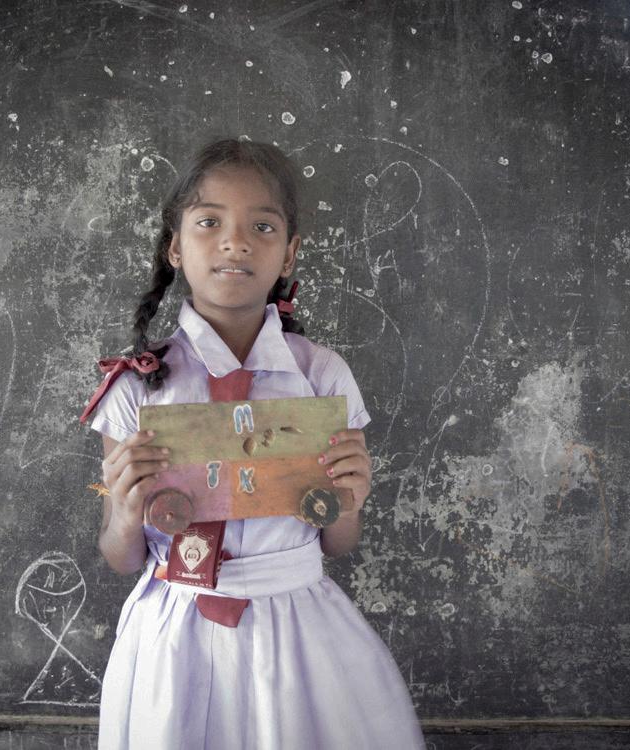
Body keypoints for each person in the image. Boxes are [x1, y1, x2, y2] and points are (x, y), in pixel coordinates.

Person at [81, 138, 425, 749]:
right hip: (174, 638)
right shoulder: (137, 386)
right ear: (175, 247)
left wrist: (349, 501)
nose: (234, 242)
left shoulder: (321, 377)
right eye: (209, 222)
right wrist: (127, 514)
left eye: (261, 227)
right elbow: (120, 557)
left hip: (297, 630)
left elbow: (338, 544)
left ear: (289, 253)